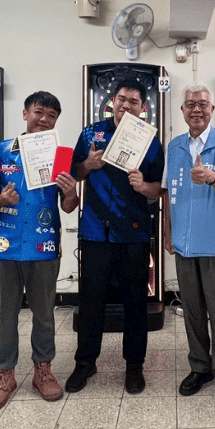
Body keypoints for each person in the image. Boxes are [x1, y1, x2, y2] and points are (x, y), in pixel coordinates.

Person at [0, 91, 80, 412]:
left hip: (44, 246)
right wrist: (1, 200)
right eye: (39, 112)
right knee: (4, 316)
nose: (44, 119)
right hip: (4, 247)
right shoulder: (0, 151)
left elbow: (68, 206)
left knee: (45, 315)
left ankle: (42, 371)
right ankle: (4, 375)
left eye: (51, 115)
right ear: (25, 114)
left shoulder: (61, 155)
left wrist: (71, 192)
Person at [67, 79, 164, 394]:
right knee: (91, 301)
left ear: (142, 107)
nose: (126, 105)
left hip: (133, 233)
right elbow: (73, 172)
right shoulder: (91, 133)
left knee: (135, 303)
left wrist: (142, 186)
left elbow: (159, 189)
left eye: (133, 101)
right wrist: (88, 163)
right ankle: (85, 363)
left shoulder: (150, 141)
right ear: (113, 101)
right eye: (122, 99)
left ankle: (134, 365)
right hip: (95, 232)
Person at [163, 84, 215, 409]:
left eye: (203, 104)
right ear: (182, 110)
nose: (196, 109)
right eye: (190, 104)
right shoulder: (174, 146)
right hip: (183, 243)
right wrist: (168, 231)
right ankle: (200, 367)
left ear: (212, 109)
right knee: (192, 310)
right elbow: (167, 192)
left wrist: (210, 177)